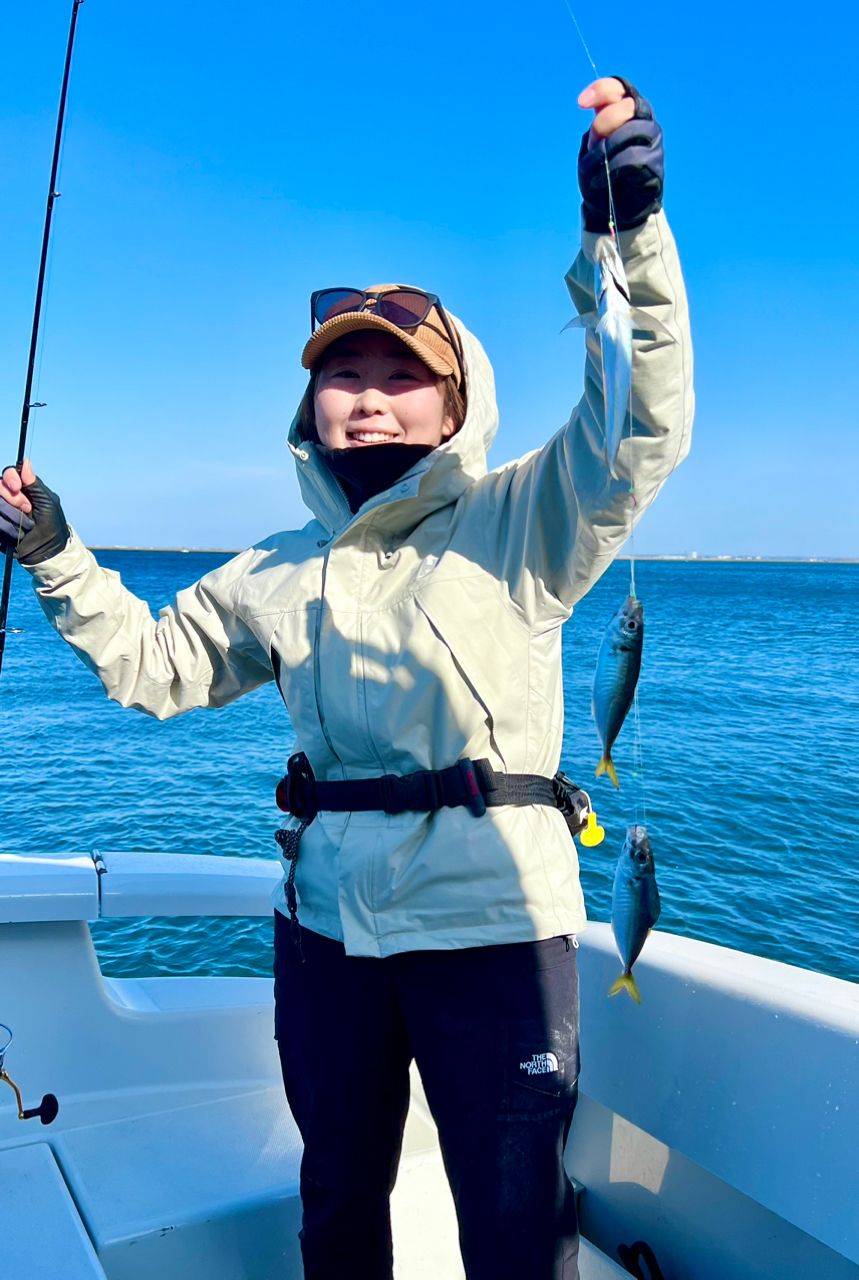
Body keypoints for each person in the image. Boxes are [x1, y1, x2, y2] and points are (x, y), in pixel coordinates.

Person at [0, 77, 693, 1280]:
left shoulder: (524, 517)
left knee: (512, 1217)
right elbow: (153, 668)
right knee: (336, 1203)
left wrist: (624, 237)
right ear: (308, 406)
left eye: (401, 374)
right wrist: (60, 553)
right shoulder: (274, 570)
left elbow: (637, 421)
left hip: (496, 935)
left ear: (457, 396)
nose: (368, 397)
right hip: (324, 935)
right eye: (342, 374)